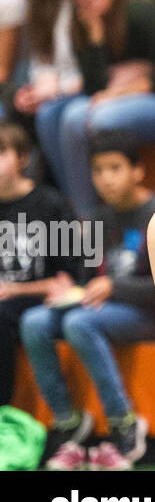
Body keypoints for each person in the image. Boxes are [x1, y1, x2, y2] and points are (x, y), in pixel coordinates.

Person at [22, 130, 155, 470]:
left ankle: (123, 422)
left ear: (138, 170)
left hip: (149, 313)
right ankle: (68, 420)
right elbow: (88, 282)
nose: (106, 179)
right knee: (35, 321)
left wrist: (113, 287)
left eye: (115, 168)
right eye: (98, 171)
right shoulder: (99, 218)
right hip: (103, 309)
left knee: (78, 322)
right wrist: (67, 290)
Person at [35, 0, 155, 219]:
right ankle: (82, 213)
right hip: (115, 100)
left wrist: (121, 91)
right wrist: (95, 39)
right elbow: (95, 86)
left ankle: (106, 207)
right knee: (56, 115)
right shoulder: (82, 22)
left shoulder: (142, 13)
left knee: (101, 117)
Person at [0, 122, 80, 411]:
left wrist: (13, 289)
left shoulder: (49, 204)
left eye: (1, 153)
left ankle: (4, 414)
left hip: (37, 301)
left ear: (22, 158)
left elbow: (67, 280)